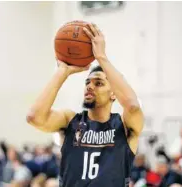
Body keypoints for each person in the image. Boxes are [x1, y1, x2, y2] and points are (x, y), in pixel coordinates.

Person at [27, 23, 144, 187]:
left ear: (113, 94)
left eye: (99, 83)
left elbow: (133, 106)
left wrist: (102, 57)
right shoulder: (69, 121)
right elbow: (34, 117)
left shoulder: (124, 127)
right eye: (87, 82)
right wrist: (62, 72)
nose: (90, 86)